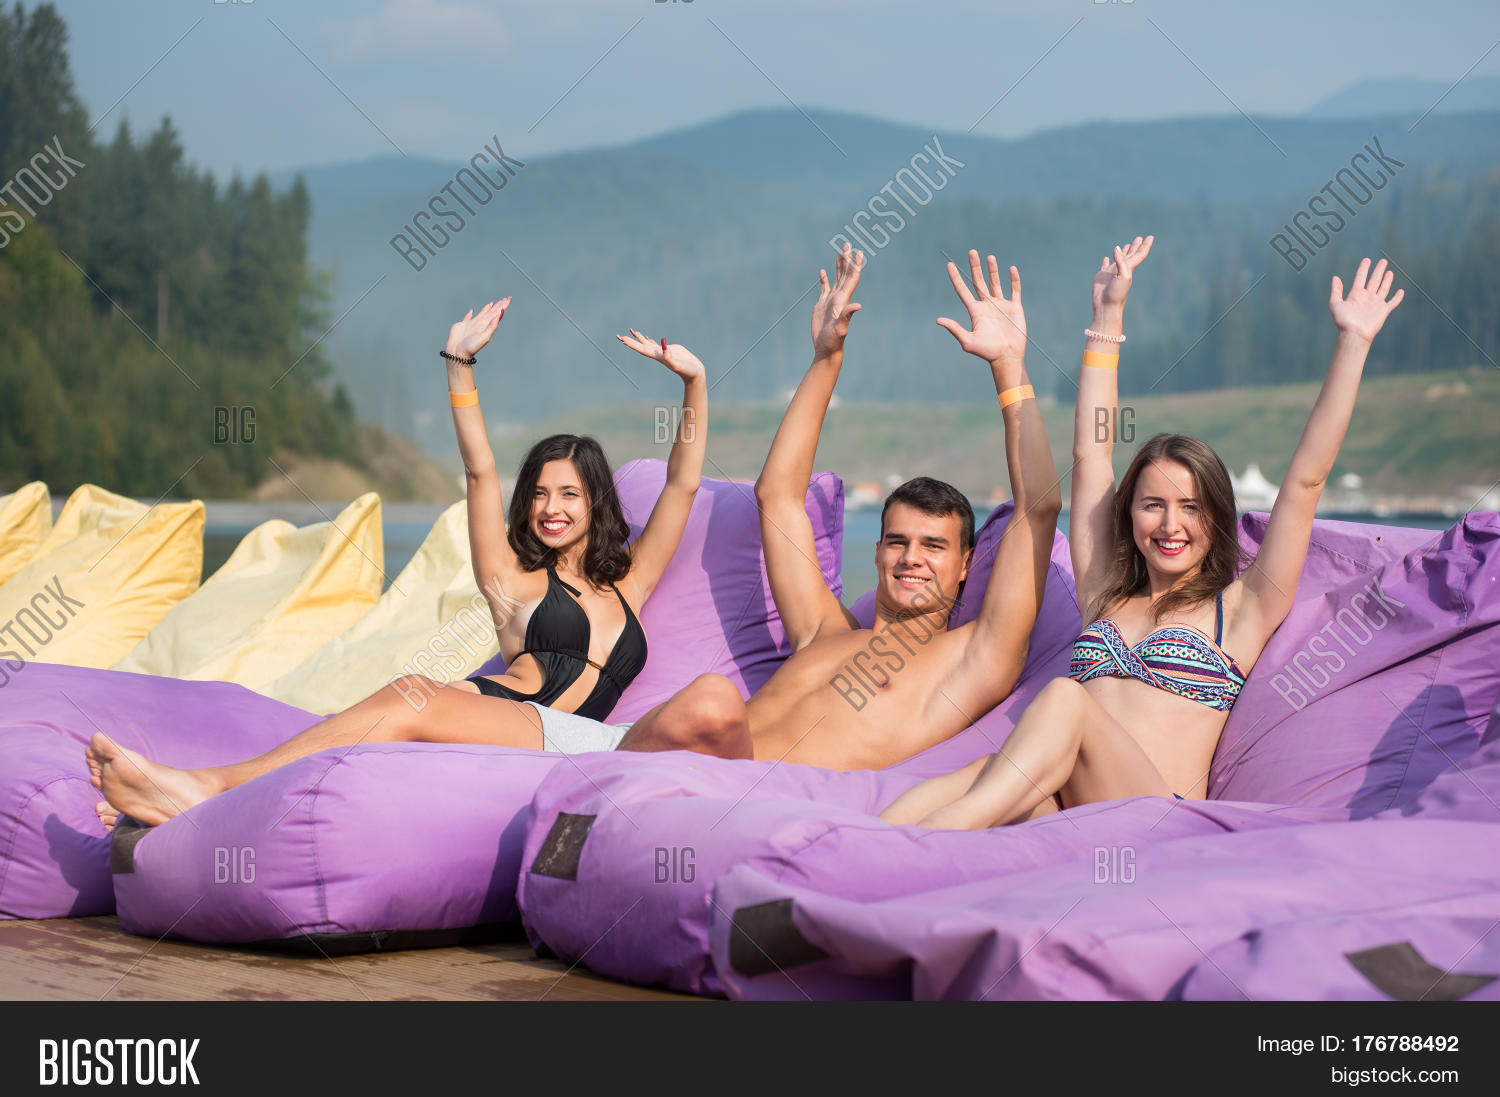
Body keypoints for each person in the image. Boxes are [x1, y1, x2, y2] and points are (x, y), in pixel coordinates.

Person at [88, 297, 711, 827]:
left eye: (570, 494)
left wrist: (694, 383)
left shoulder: (630, 579)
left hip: (586, 742)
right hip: (514, 717)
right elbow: (480, 469)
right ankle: (202, 790)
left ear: (595, 499)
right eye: (541, 494)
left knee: (404, 700)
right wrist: (460, 366)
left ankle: (195, 791)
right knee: (406, 698)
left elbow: (681, 486)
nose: (551, 508)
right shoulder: (515, 580)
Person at [880, 242, 1406, 829]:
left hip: (1156, 821)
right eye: (1153, 505)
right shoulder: (1105, 591)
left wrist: (1353, 344)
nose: (1171, 524)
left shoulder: (1243, 607)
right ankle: (844, 859)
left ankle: (927, 843)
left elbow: (1305, 481)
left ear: (1217, 518)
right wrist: (1106, 319)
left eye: (1191, 507)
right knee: (961, 779)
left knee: (1061, 700)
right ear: (1130, 515)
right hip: (1076, 798)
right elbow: (1092, 454)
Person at [525, 242, 1062, 770]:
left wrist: (1009, 366)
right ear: (877, 552)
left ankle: (598, 778)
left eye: (934, 545)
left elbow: (1037, 508)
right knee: (447, 703)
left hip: (731, 786)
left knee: (712, 698)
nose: (911, 558)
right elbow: (778, 496)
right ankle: (592, 769)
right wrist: (827, 359)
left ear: (967, 563)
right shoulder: (821, 633)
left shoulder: (973, 657)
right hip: (649, 749)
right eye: (898, 541)